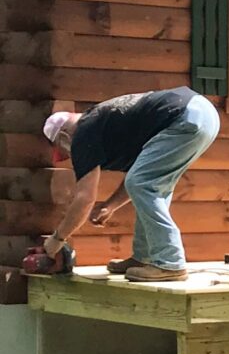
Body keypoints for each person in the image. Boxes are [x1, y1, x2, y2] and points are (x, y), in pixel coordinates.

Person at [41, 87, 220, 282]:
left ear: (64, 137)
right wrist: (110, 205)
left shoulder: (83, 133)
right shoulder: (103, 125)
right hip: (202, 114)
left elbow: (85, 198)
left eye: (63, 150)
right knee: (151, 185)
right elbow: (136, 177)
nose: (69, 155)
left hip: (183, 117)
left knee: (142, 184)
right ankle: (146, 257)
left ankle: (169, 262)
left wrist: (57, 239)